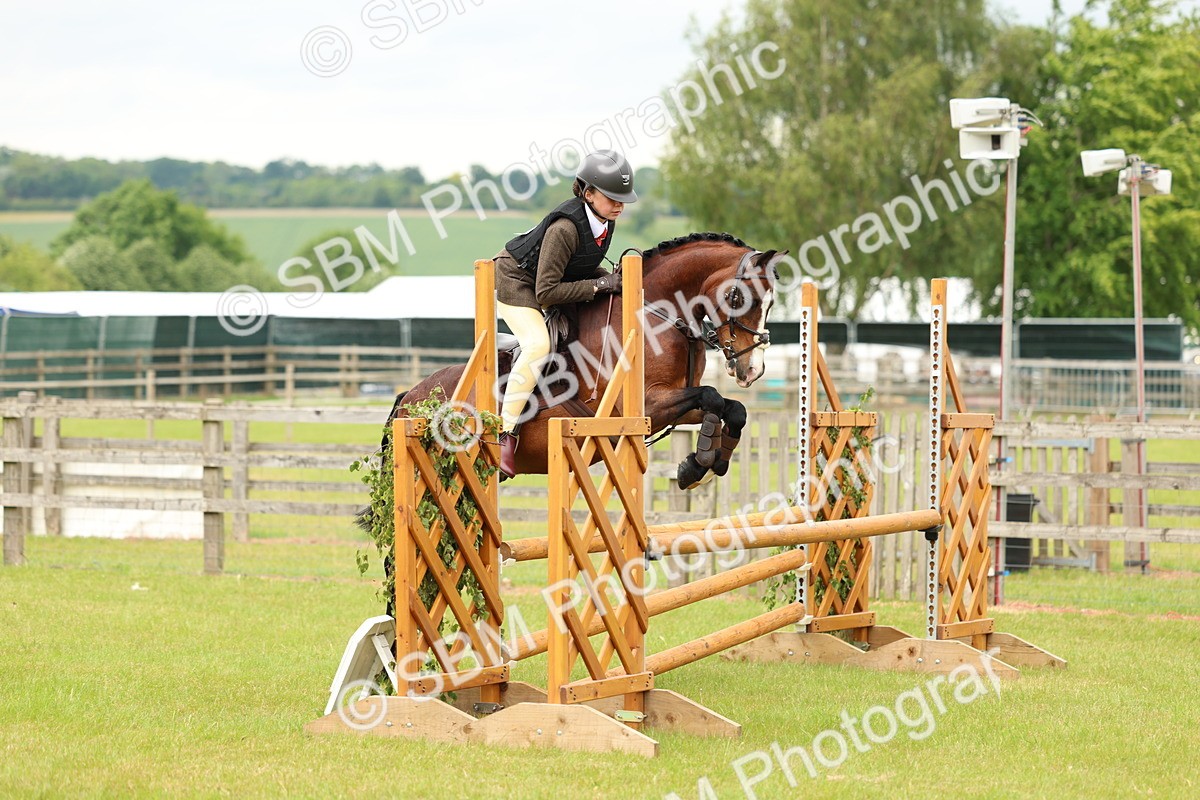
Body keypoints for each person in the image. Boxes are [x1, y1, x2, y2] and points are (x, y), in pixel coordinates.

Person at [492, 150, 637, 478]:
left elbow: (577, 266)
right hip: (517, 282)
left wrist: (611, 280)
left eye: (623, 199)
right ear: (588, 194)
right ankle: (504, 434)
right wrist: (601, 284)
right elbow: (546, 292)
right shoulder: (565, 228)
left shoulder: (604, 221)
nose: (619, 205)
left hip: (547, 281)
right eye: (612, 197)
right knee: (538, 345)